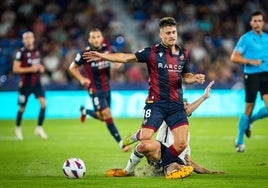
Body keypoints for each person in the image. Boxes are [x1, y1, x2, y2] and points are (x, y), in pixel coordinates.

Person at [83, 17, 205, 179]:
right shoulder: (151, 52)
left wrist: (194, 78)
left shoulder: (183, 53)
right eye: (168, 33)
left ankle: (165, 165)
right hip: (156, 104)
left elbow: (187, 76)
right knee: (145, 139)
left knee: (181, 143)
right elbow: (126, 58)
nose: (172, 35)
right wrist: (102, 56)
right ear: (161, 35)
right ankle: (130, 164)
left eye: (174, 32)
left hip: (176, 104)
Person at [105, 81, 224, 178]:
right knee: (142, 146)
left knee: (178, 165)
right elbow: (145, 132)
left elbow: (189, 161)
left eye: (185, 104)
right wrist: (133, 138)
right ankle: (128, 171)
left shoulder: (183, 130)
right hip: (159, 153)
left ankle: (173, 169)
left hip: (176, 158)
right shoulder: (165, 114)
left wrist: (206, 171)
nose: (183, 106)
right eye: (182, 103)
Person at [69, 28, 130, 152]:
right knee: (107, 114)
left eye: (98, 37)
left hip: (107, 88)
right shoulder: (84, 54)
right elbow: (72, 68)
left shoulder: (108, 50)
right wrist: (81, 79)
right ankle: (121, 143)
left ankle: (85, 111)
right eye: (93, 37)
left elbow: (119, 62)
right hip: (95, 90)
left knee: (103, 117)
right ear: (89, 39)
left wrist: (119, 65)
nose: (96, 39)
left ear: (101, 38)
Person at [230, 10, 268, 152]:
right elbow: (234, 57)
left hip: (266, 75)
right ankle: (239, 141)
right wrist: (250, 61)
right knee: (249, 108)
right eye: (255, 21)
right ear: (251, 23)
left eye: (259, 20)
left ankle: (251, 120)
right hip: (252, 76)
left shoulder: (267, 38)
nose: (257, 23)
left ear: (263, 22)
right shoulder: (245, 39)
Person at [13, 31, 48, 140]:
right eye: (26, 38)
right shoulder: (21, 53)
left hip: (37, 82)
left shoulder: (37, 51)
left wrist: (41, 68)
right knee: (22, 108)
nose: (28, 39)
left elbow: (38, 65)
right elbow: (15, 69)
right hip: (25, 84)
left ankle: (39, 127)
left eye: (30, 37)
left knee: (43, 104)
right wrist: (30, 69)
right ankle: (18, 127)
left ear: (33, 39)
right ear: (23, 40)